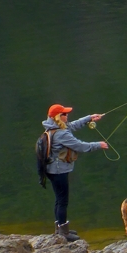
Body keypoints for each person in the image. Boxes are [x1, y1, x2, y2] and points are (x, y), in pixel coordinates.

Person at [42, 103, 108, 242]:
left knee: (59, 199)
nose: (68, 115)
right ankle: (64, 233)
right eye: (65, 114)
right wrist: (99, 145)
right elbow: (80, 146)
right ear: (59, 117)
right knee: (63, 201)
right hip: (59, 171)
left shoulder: (53, 128)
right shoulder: (61, 133)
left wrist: (89, 118)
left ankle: (60, 228)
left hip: (52, 169)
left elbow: (73, 125)